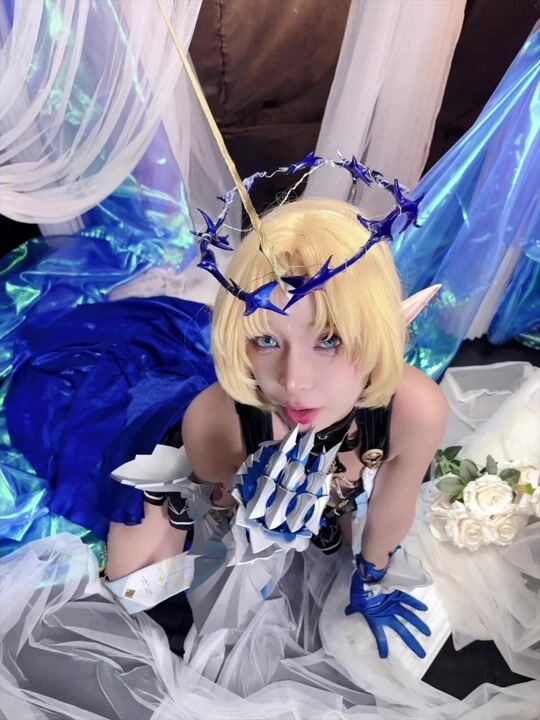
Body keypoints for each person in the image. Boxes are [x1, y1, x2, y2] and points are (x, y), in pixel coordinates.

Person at [106, 195, 448, 659]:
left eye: (329, 339)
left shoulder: (415, 409)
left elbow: (392, 505)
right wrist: (250, 524)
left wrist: (370, 577)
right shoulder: (215, 422)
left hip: (332, 486)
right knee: (134, 592)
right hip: (211, 482)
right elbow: (218, 524)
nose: (293, 383)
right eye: (266, 340)